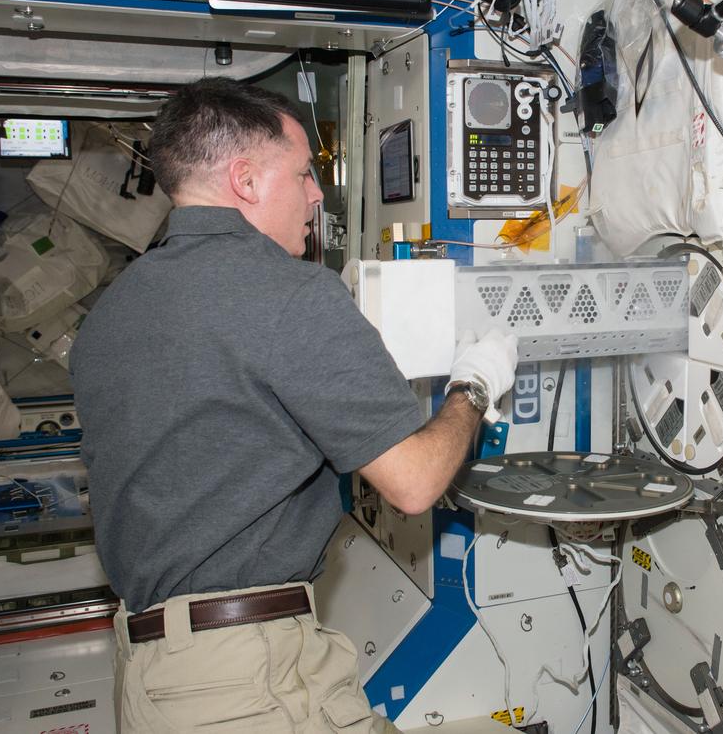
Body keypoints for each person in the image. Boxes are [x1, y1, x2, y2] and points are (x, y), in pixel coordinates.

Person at [71, 77, 517, 733]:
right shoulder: (290, 294)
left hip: (155, 673)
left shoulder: (113, 309)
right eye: (304, 174)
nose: (315, 195)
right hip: (247, 682)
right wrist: (473, 386)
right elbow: (415, 483)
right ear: (246, 180)